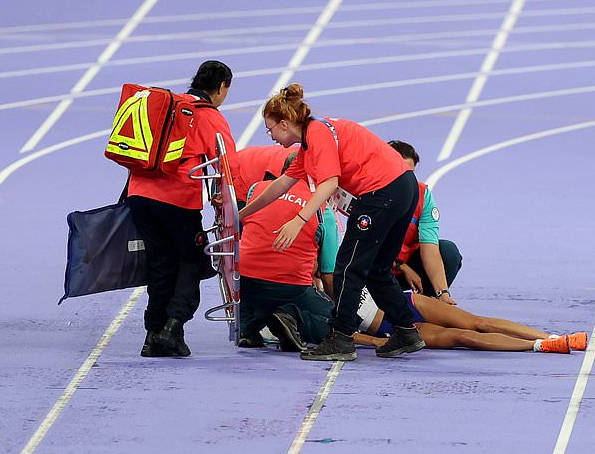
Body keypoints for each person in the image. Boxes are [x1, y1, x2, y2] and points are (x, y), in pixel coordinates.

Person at [238, 84, 425, 362]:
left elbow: (329, 184)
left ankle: (341, 339)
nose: (271, 137)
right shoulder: (309, 146)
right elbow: (281, 185)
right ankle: (406, 330)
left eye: (270, 130)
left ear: (285, 123)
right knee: (377, 269)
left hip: (382, 193)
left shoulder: (318, 134)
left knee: (348, 268)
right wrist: (241, 215)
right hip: (402, 188)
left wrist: (298, 220)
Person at [128, 60, 237, 358]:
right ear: (222, 86)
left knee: (161, 263)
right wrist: (222, 197)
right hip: (175, 199)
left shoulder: (168, 106)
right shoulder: (208, 116)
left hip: (138, 194)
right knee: (192, 258)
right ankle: (173, 326)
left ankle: (153, 335)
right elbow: (228, 164)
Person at [235, 178, 337, 352]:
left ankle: (249, 328)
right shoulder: (323, 208)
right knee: (335, 325)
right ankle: (290, 316)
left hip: (245, 284)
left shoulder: (256, 188)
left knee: (256, 294)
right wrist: (336, 310)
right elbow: (328, 272)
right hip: (291, 288)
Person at [354, 289, 588, 354]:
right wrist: (374, 341)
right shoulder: (320, 298)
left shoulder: (342, 262)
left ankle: (554, 336)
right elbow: (337, 333)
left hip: (406, 303)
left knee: (479, 323)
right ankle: (540, 345)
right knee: (463, 337)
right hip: (390, 327)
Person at [385, 140, 463, 304]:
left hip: (410, 269)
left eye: (410, 173)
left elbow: (430, 249)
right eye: (400, 172)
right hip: (376, 269)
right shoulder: (368, 192)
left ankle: (430, 303)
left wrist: (443, 293)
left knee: (448, 251)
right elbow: (366, 248)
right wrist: (401, 267)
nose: (406, 179)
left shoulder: (423, 196)